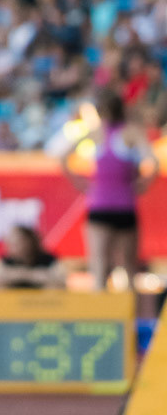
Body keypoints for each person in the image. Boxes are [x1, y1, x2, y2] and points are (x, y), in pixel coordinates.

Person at [63, 92, 159, 291]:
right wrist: (142, 184)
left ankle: (101, 318)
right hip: (125, 206)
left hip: (100, 206)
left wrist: (80, 183)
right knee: (129, 268)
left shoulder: (97, 132)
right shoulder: (131, 133)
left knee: (99, 266)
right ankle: (130, 318)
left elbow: (64, 157)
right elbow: (154, 162)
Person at [0, 224, 66, 290]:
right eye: (10, 243)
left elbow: (60, 282)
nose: (11, 247)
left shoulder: (50, 261)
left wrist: (22, 275)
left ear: (31, 242)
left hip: (44, 304)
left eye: (18, 243)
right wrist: (30, 275)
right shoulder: (3, 263)